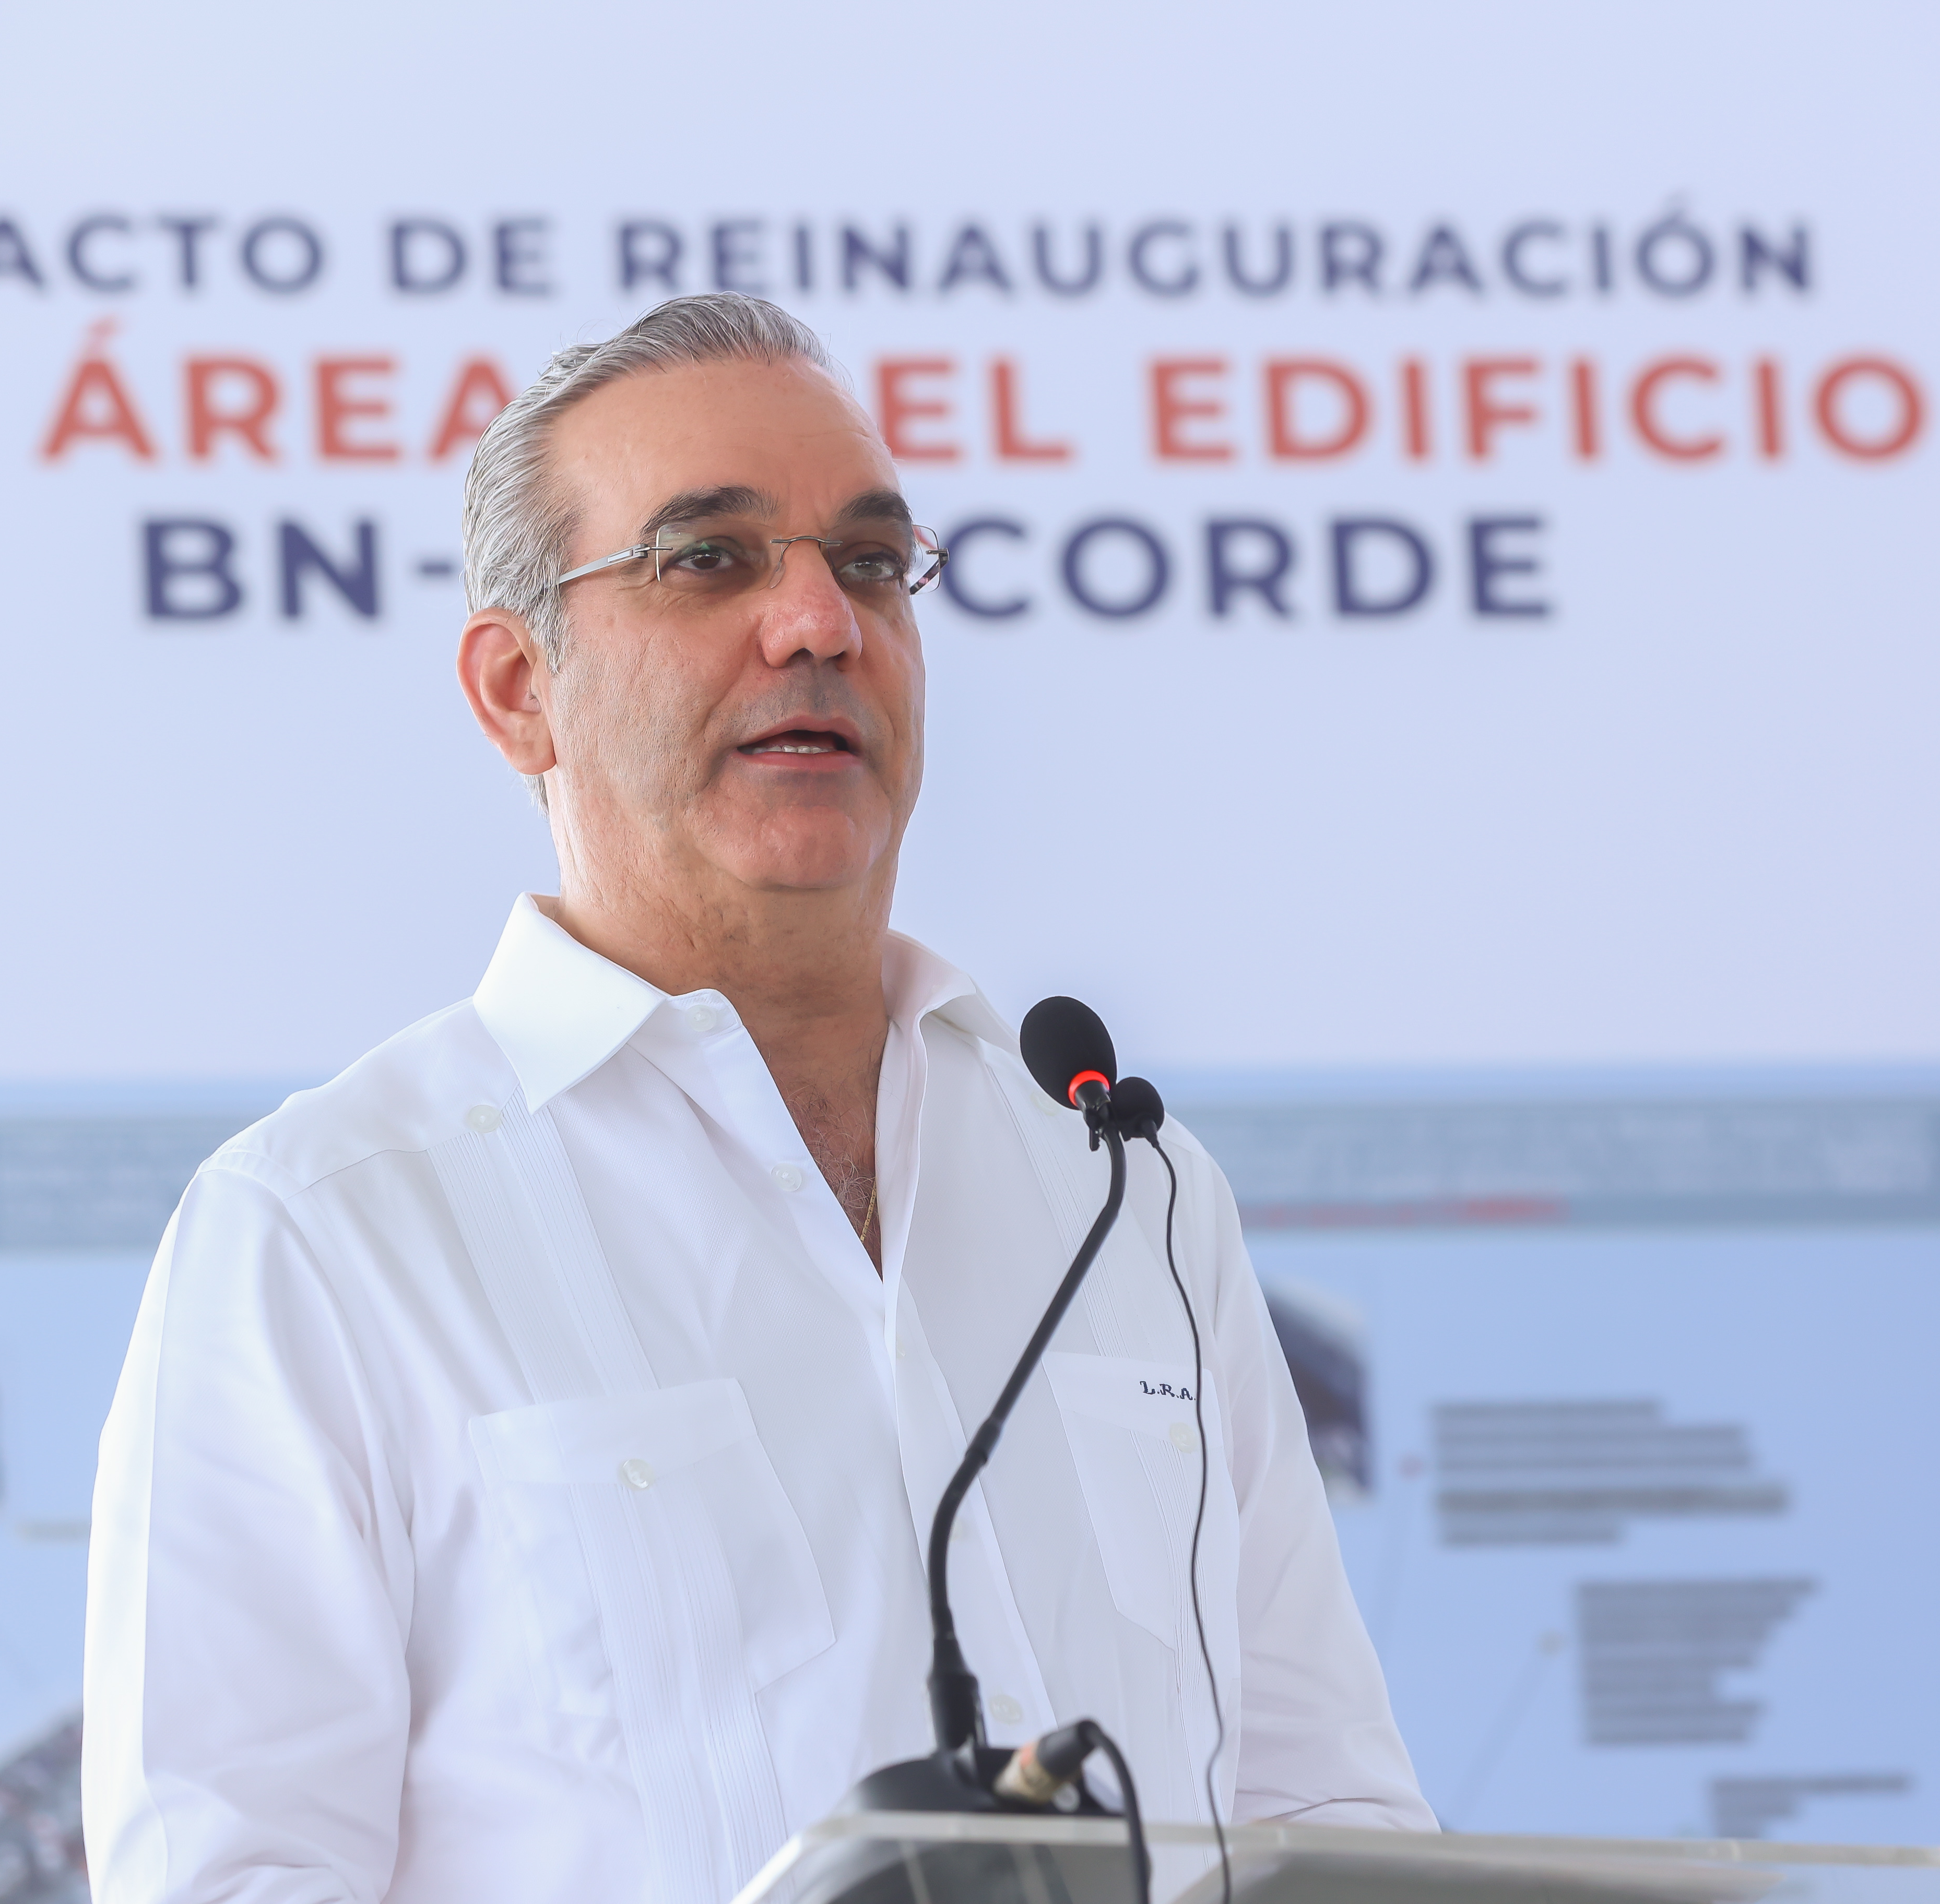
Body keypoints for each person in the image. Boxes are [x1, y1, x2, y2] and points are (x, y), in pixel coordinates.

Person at [81, 293, 1430, 1904]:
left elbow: (1328, 1816)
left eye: (871, 561)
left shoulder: (1120, 1186)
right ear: (517, 689)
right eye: (708, 559)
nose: (818, 624)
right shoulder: (323, 1235)